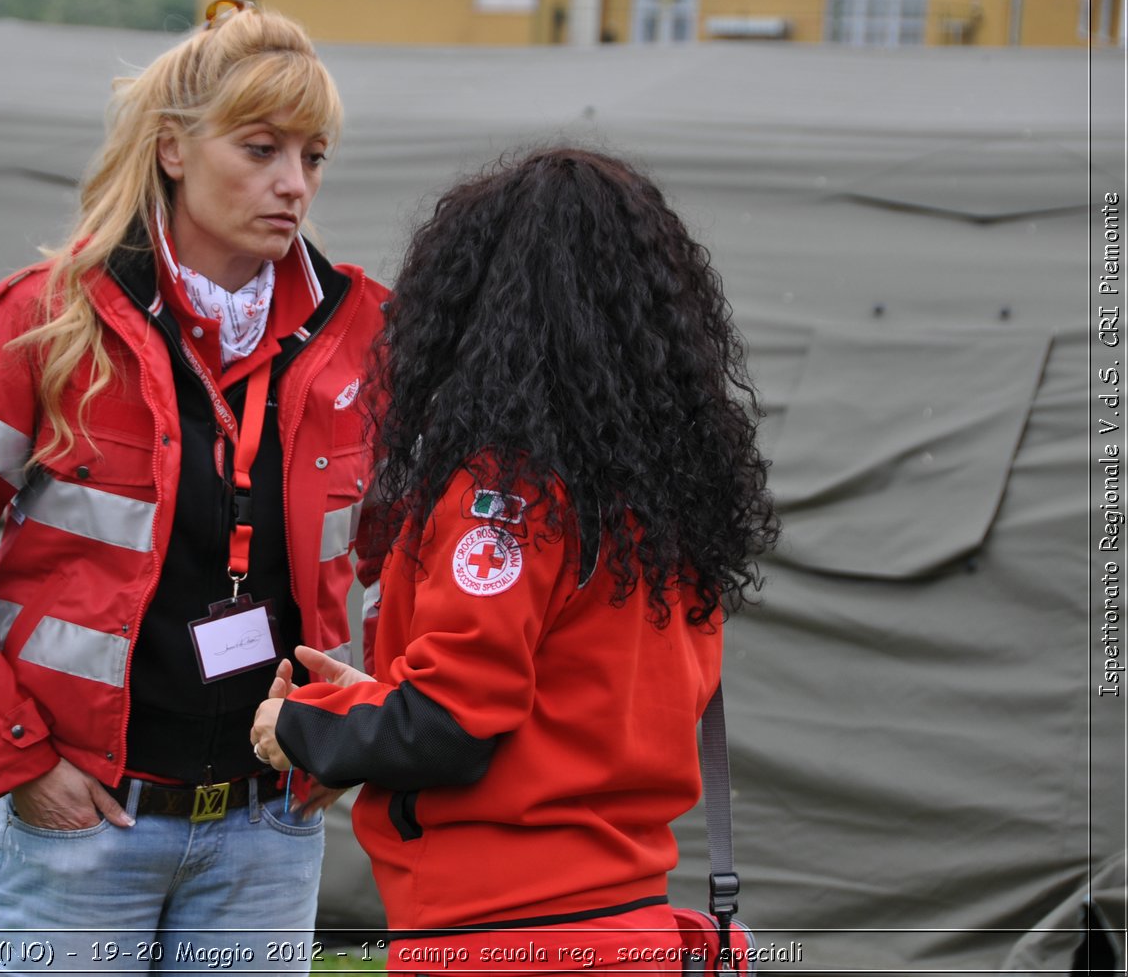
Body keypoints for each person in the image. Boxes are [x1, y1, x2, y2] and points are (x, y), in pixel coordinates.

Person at [0, 0, 386, 973]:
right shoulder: (41, 320)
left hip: (268, 830)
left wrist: (358, 728)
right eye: (261, 147)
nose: (292, 185)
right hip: (82, 825)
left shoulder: (366, 331)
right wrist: (15, 760)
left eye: (312, 157)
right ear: (173, 149)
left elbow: (411, 551)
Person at [251, 147, 778, 974]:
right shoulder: (666, 507)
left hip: (501, 936)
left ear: (473, 310)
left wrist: (299, 726)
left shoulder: (505, 497)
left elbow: (454, 724)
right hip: (631, 926)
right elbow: (565, 700)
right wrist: (380, 697)